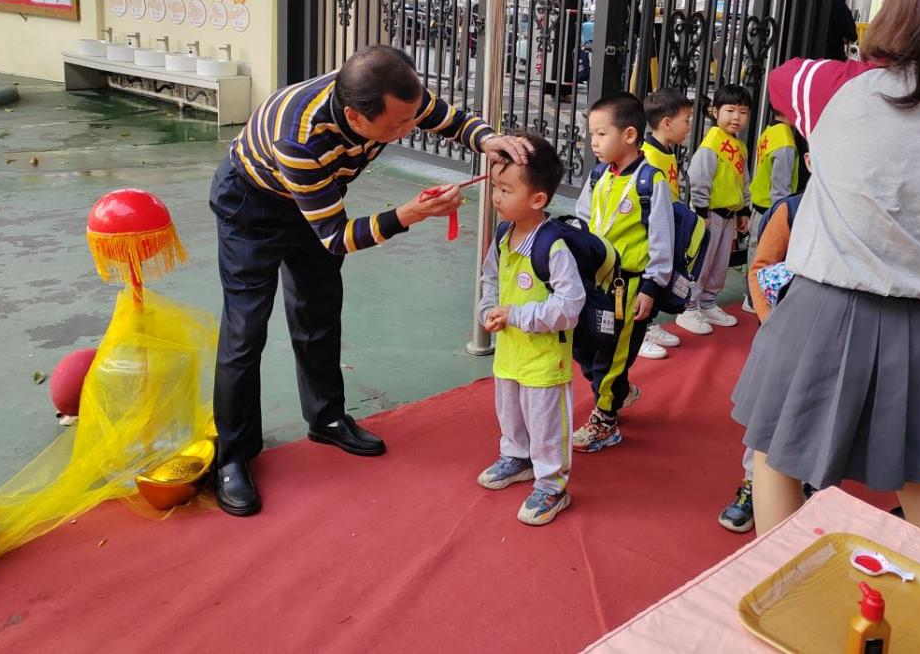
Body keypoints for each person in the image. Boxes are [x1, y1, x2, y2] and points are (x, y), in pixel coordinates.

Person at [731, 0, 920, 544]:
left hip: (823, 306)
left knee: (777, 454)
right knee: (917, 474)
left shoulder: (835, 87)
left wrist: (869, 68)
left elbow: (780, 79)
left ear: (894, 17)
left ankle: (781, 579)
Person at [208, 44, 532, 517]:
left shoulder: (393, 93)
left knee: (319, 311)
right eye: (398, 125)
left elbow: (450, 119)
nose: (409, 128)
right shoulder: (299, 138)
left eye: (412, 116)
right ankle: (233, 456)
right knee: (245, 331)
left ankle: (326, 418)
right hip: (252, 207)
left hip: (318, 197)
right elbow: (337, 238)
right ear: (356, 118)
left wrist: (486, 139)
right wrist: (410, 213)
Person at [477, 134, 582, 526]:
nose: (496, 197)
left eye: (506, 190)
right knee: (511, 413)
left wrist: (517, 315)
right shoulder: (504, 235)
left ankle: (552, 485)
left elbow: (570, 306)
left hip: (544, 359)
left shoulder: (553, 246)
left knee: (546, 423)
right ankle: (516, 456)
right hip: (509, 353)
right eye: (495, 187)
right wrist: (488, 309)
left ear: (538, 199)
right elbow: (490, 278)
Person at [573, 93, 675, 452]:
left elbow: (662, 240)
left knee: (612, 354)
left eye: (601, 134)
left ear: (629, 135)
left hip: (628, 288)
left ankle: (605, 420)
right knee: (583, 345)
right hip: (595, 284)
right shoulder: (599, 175)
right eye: (592, 134)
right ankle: (619, 390)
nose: (593, 142)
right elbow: (583, 217)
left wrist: (651, 286)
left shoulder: (650, 182)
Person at [719, 150, 808, 532]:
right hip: (784, 335)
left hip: (836, 340)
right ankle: (753, 484)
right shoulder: (794, 210)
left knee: (816, 415)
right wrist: (770, 321)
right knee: (769, 415)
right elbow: (761, 268)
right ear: (811, 160)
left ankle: (809, 484)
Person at [677, 85, 752, 334]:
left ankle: (707, 303)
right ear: (715, 112)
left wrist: (744, 210)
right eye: (730, 111)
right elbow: (699, 178)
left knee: (719, 264)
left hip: (729, 214)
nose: (736, 117)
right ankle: (688, 307)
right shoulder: (712, 144)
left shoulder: (739, 146)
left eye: (742, 112)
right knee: (701, 262)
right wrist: (701, 212)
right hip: (709, 214)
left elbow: (743, 180)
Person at [638, 87, 695, 359]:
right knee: (646, 280)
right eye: (686, 120)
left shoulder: (666, 151)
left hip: (667, 224)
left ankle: (649, 324)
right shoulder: (648, 155)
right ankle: (638, 333)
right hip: (651, 230)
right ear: (667, 123)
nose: (689, 126)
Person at [741, 109, 801, 314]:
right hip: (770, 210)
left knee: (755, 252)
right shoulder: (784, 141)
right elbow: (781, 187)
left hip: (760, 204)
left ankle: (751, 296)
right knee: (764, 258)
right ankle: (756, 299)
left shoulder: (770, 130)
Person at [545, 0, 580, 105]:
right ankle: (555, 91)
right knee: (557, 60)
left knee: (569, 61)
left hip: (571, 32)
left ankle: (566, 92)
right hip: (559, 30)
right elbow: (553, 12)